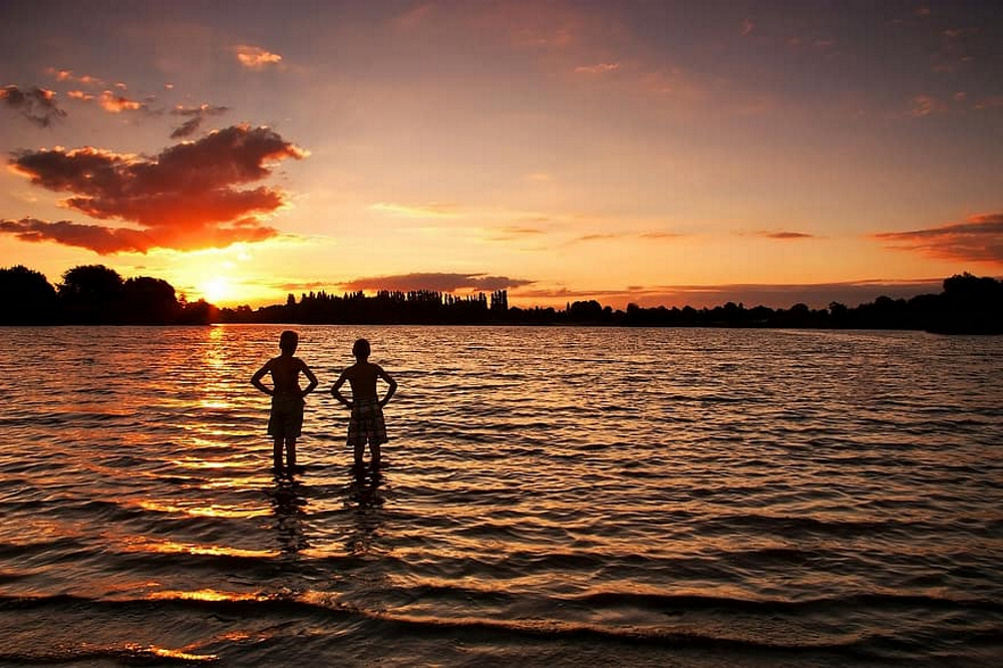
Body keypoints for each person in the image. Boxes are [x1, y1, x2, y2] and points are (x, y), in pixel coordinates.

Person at [251, 330, 318, 476]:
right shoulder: (297, 363)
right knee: (291, 441)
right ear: (295, 346)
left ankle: (278, 471)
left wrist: (270, 392)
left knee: (278, 440)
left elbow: (255, 379)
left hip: (278, 401)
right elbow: (314, 382)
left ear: (280, 345)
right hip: (293, 402)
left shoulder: (273, 363)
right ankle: (291, 471)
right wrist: (302, 394)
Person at [331, 338, 397, 473]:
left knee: (358, 445)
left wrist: (348, 404)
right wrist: (383, 402)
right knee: (375, 446)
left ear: (353, 352)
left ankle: (358, 473)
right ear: (369, 352)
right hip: (373, 406)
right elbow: (393, 384)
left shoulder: (350, 371)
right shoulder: (374, 368)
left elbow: (334, 390)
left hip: (358, 407)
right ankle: (376, 473)